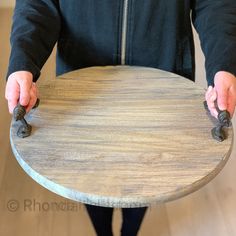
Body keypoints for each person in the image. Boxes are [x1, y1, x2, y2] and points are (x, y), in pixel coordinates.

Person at [5, 1, 236, 235]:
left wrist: (223, 64)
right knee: (90, 173)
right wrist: (23, 62)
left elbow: (215, 3)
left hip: (162, 85)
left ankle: (130, 231)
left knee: (146, 174)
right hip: (84, 87)